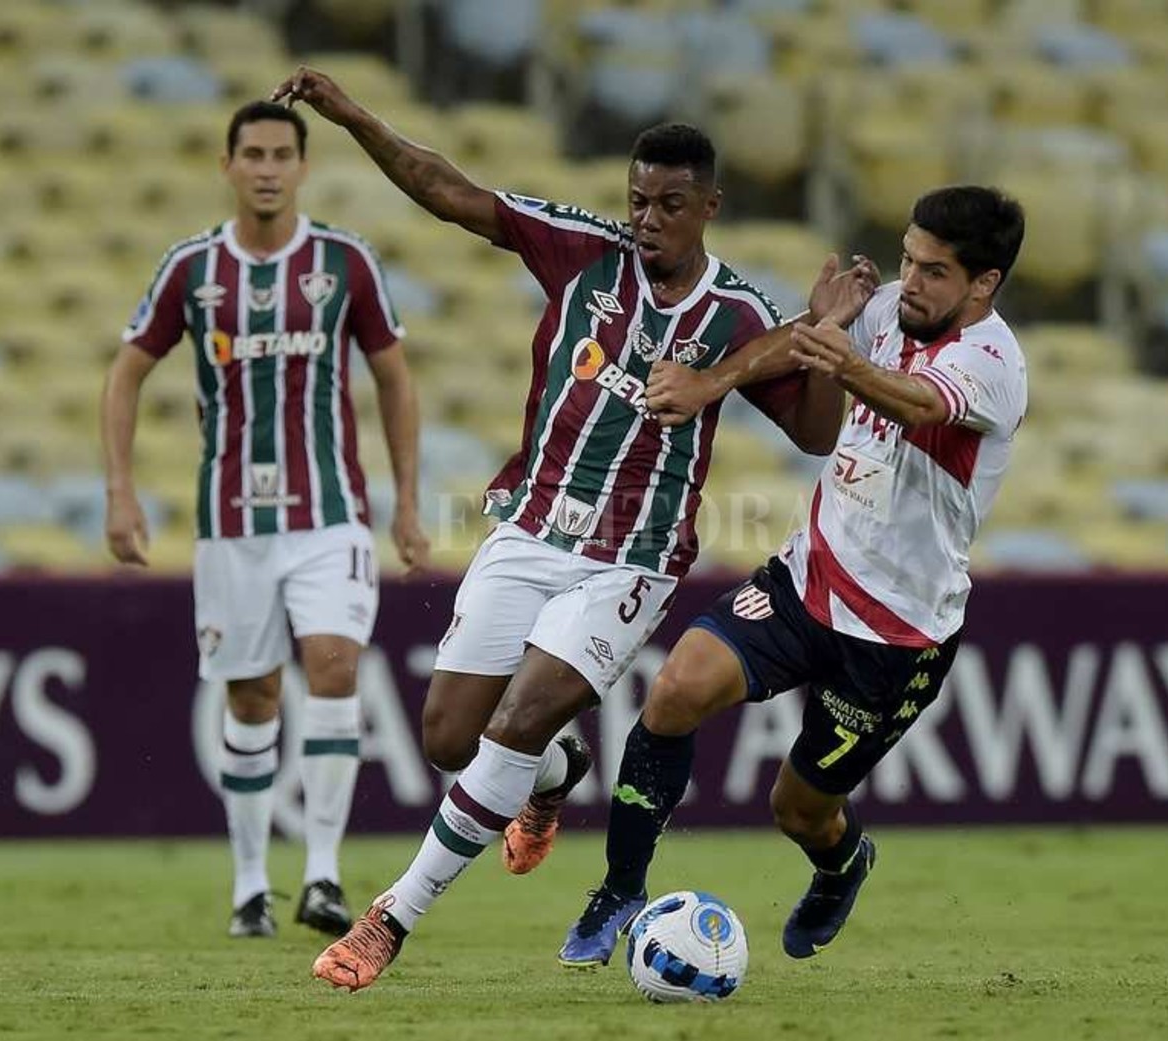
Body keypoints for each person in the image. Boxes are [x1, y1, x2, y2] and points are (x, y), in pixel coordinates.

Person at [269, 65, 877, 992]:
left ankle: (391, 916)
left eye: (670, 204)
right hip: (528, 530)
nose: (647, 218)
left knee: (518, 715)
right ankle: (554, 778)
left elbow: (817, 432)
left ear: (707, 206)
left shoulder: (738, 318)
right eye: (637, 200)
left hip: (631, 560)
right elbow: (446, 191)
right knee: (448, 737)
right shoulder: (578, 252)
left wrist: (829, 343)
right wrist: (351, 113)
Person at [556, 185, 1027, 966]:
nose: (907, 282)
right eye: (906, 259)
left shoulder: (993, 363)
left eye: (933, 271)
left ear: (983, 284)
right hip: (804, 580)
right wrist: (783, 348)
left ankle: (842, 863)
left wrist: (842, 357)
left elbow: (917, 404)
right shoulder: (885, 313)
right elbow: (799, 345)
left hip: (896, 633)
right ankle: (619, 889)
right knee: (674, 690)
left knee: (799, 808)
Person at [101, 100, 430, 940]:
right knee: (251, 697)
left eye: (282, 153)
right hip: (231, 523)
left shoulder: (343, 262)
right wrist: (120, 491)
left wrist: (408, 502)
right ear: (228, 165)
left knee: (331, 664)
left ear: (302, 166)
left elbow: (394, 378)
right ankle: (250, 880)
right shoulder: (192, 269)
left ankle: (321, 873)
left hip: (331, 515)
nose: (267, 167)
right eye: (252, 153)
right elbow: (126, 372)